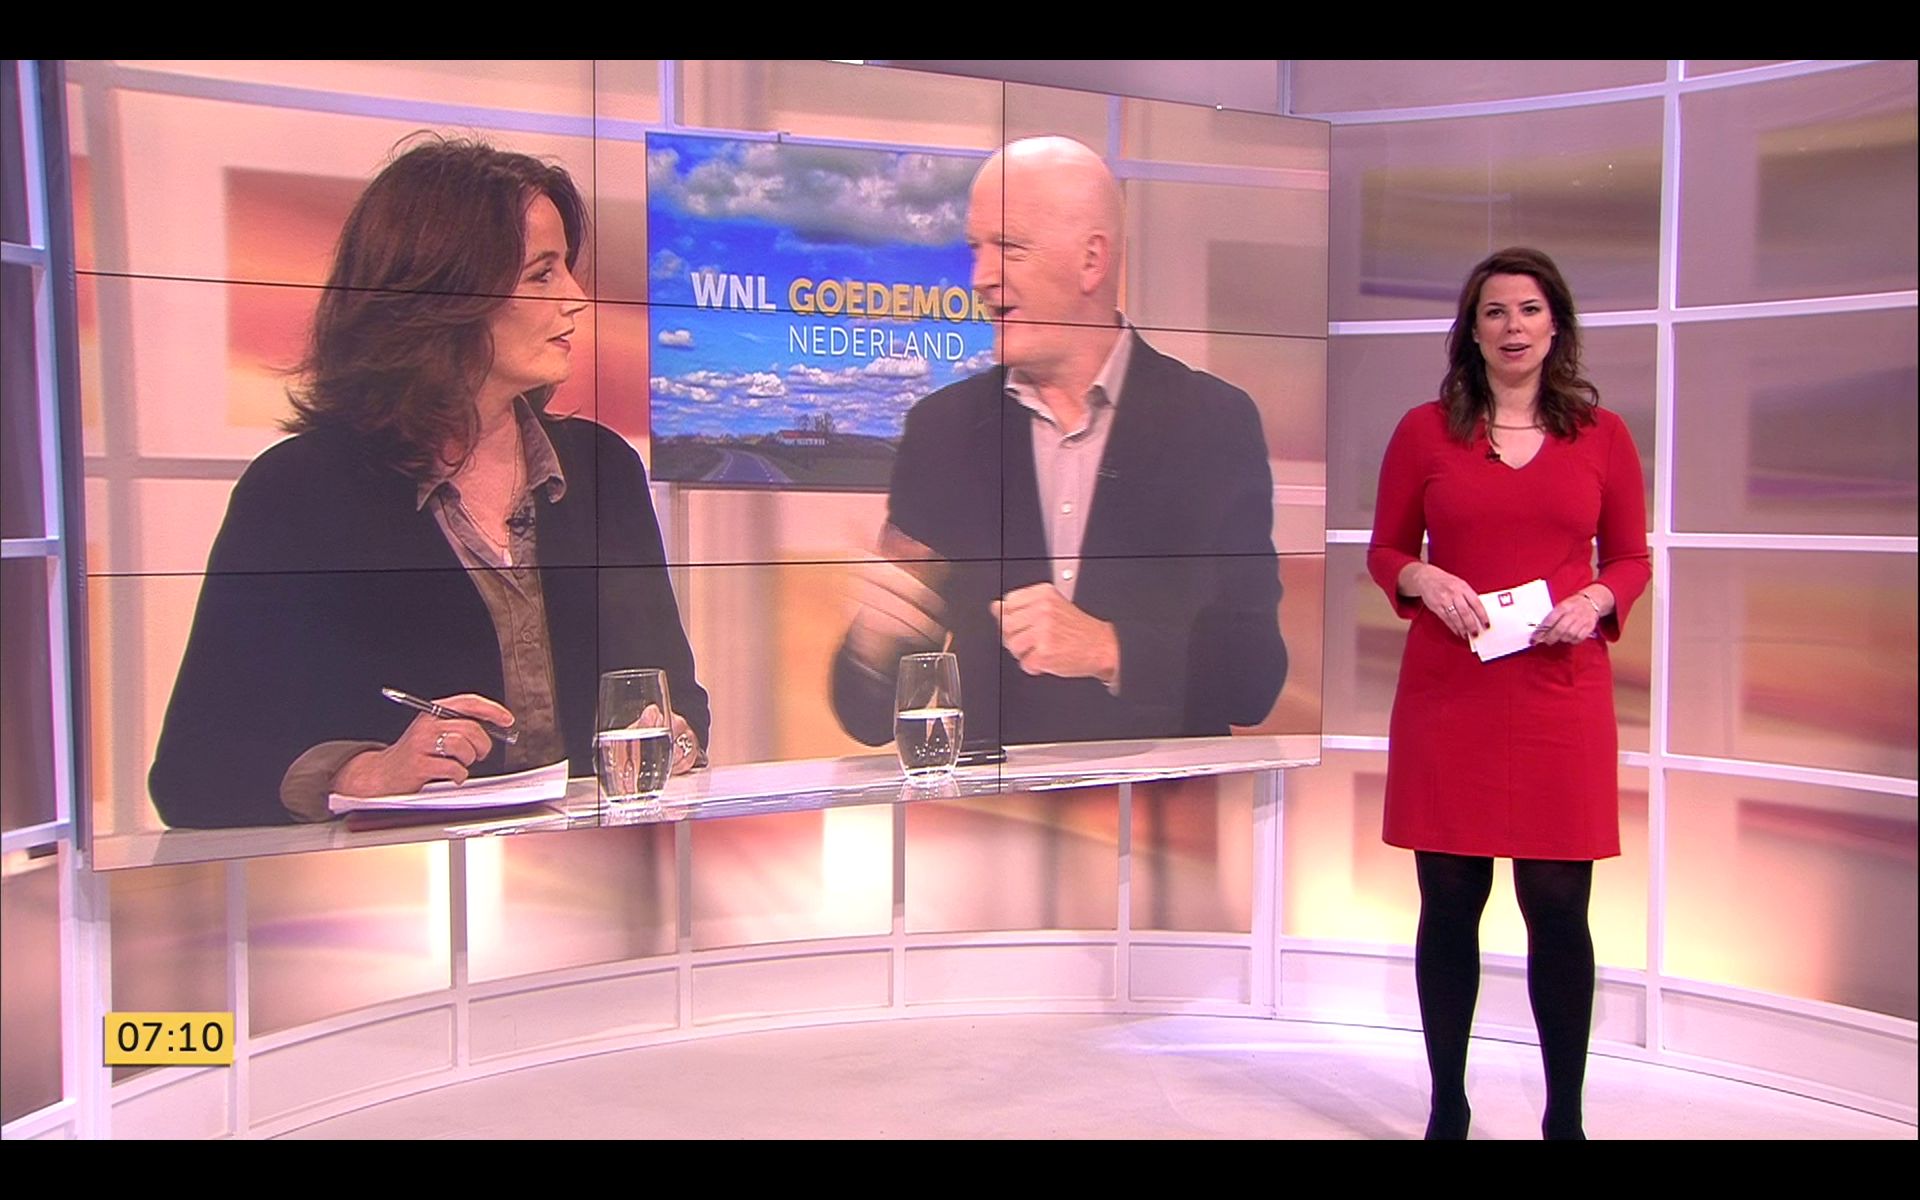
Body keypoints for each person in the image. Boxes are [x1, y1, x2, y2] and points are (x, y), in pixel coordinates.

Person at [148, 137, 710, 829]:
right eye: (541, 274)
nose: (574, 297)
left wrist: (678, 737)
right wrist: (362, 773)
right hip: (395, 885)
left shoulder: (604, 471)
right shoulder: (298, 492)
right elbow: (194, 770)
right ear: (447, 295)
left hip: (601, 873)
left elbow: (677, 698)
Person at [830, 136, 1287, 749]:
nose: (981, 279)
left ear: (1091, 261)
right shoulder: (943, 431)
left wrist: (1107, 649)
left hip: (1157, 804)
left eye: (1009, 248)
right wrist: (873, 645)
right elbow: (869, 718)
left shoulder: (1212, 423)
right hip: (1002, 807)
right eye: (976, 249)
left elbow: (1253, 677)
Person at [1367, 246, 1650, 1139]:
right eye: (1495, 311)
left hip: (1559, 695)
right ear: (1473, 330)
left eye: (1529, 310)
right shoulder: (1425, 431)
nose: (1513, 326)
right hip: (1452, 694)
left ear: (1555, 325)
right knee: (1451, 902)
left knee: (1559, 908)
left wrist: (1598, 599)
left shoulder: (1604, 436)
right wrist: (1420, 576)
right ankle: (1447, 1106)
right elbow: (1385, 549)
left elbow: (1631, 557)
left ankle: (1564, 1118)